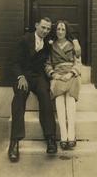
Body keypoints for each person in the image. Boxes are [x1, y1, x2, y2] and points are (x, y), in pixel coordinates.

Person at [8, 17, 57, 162]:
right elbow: (13, 62)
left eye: (48, 29)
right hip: (23, 76)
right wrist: (20, 76)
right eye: (43, 27)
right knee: (19, 98)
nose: (45, 31)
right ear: (36, 26)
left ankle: (50, 138)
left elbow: (65, 33)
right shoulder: (24, 40)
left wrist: (74, 41)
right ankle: (14, 142)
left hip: (38, 76)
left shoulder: (48, 43)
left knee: (45, 96)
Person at [45, 20, 81, 150]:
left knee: (70, 101)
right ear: (55, 31)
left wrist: (71, 73)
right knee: (60, 101)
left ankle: (71, 135)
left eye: (63, 29)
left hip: (71, 75)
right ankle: (63, 137)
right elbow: (47, 64)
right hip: (58, 75)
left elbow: (78, 63)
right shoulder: (51, 46)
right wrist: (54, 75)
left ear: (67, 31)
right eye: (58, 29)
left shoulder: (73, 45)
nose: (60, 32)